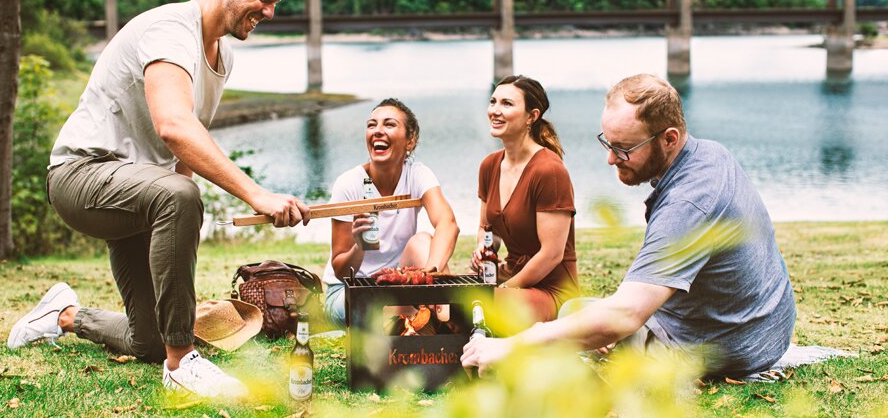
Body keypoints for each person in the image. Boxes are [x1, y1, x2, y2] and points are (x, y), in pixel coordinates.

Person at [7, 0, 306, 399]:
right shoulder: (170, 29)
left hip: (139, 192)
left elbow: (186, 153)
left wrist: (174, 220)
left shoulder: (221, 57)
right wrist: (255, 194)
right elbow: (174, 127)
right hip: (81, 175)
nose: (269, 12)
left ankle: (65, 314)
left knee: (145, 338)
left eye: (275, 3)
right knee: (178, 198)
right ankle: (182, 363)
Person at [462, 73, 796, 379]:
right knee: (578, 313)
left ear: (669, 138)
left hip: (727, 347)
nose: (610, 159)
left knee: (569, 334)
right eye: (607, 143)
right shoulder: (710, 154)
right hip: (765, 326)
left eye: (623, 149)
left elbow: (625, 314)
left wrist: (512, 346)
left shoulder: (688, 203)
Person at [323, 98, 459, 327]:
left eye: (389, 124)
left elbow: (447, 223)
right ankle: (423, 317)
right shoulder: (349, 184)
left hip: (397, 282)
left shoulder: (417, 174)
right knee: (379, 306)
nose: (377, 131)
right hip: (349, 290)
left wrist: (432, 274)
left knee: (423, 241)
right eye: (371, 125)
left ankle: (423, 312)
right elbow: (341, 273)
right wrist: (359, 247)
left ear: (410, 140)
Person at [472, 75, 580, 326]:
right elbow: (487, 229)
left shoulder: (549, 170)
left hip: (551, 291)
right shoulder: (489, 166)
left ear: (531, 116)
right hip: (507, 279)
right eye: (493, 101)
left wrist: (506, 289)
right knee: (448, 305)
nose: (495, 111)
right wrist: (483, 249)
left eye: (507, 104)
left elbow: (552, 254)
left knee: (478, 309)